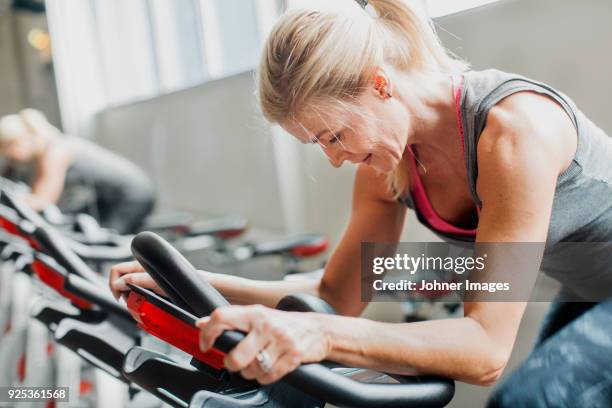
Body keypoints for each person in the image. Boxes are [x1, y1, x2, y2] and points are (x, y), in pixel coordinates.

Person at [110, 0, 612, 406]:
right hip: (589, 285)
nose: (334, 159)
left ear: (379, 83)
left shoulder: (513, 133)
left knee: (529, 400)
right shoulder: (389, 165)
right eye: (318, 145)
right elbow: (339, 294)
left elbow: (485, 348)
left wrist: (322, 336)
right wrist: (183, 283)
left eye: (334, 135)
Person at [0, 109, 155, 234]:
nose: (9, 156)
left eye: (7, 149)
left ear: (21, 140)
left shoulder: (55, 152)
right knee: (77, 226)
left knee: (103, 243)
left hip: (132, 197)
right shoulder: (49, 149)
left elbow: (42, 199)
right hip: (109, 197)